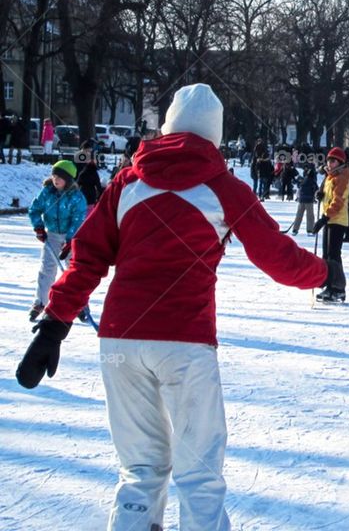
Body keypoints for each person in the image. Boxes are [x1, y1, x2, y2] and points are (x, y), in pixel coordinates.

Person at [16, 83, 328, 530]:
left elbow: (88, 256)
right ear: (214, 136)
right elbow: (276, 257)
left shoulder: (128, 181)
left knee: (140, 471)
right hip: (186, 342)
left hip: (121, 340)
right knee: (198, 474)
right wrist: (323, 272)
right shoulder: (224, 186)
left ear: (167, 128)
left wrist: (55, 323)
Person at [26, 159, 88, 321]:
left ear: (68, 179)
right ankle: (40, 302)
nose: (56, 179)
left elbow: (78, 218)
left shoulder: (76, 197)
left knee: (73, 271)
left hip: (72, 236)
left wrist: (70, 240)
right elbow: (34, 210)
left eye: (60, 176)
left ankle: (80, 304)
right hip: (52, 234)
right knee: (47, 268)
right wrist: (39, 227)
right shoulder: (47, 192)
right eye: (54, 175)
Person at [314, 147, 349, 303]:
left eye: (333, 161)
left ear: (340, 162)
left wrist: (324, 218)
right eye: (329, 160)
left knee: (333, 255)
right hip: (329, 219)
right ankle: (329, 285)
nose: (330, 163)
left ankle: (338, 288)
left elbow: (338, 201)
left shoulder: (342, 176)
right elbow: (328, 195)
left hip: (337, 220)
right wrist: (320, 194)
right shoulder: (329, 177)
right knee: (326, 255)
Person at [75, 139, 105, 214]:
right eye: (88, 151)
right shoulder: (80, 157)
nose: (89, 153)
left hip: (85, 189)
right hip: (80, 183)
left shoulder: (87, 158)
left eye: (90, 151)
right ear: (84, 149)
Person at [290, 164, 318, 235]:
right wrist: (316, 198)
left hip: (301, 200)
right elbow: (316, 191)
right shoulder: (313, 182)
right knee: (310, 216)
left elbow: (299, 187)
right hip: (309, 201)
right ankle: (310, 230)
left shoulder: (303, 180)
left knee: (299, 215)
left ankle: (295, 229)